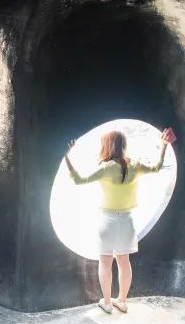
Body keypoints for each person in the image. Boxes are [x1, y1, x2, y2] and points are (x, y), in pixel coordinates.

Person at [64, 128, 172, 314]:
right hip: (128, 221)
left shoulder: (106, 167)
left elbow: (79, 180)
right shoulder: (135, 165)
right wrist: (163, 145)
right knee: (124, 262)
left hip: (107, 221)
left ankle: (107, 302)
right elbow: (157, 167)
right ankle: (122, 301)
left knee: (105, 262)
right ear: (123, 145)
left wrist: (66, 156)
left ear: (106, 146)